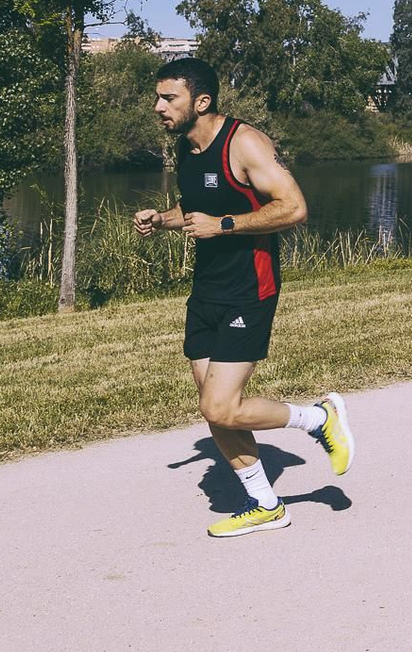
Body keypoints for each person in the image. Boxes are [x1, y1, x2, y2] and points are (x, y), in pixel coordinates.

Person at [134, 57, 354, 537]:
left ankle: (319, 418)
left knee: (219, 407)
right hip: (207, 288)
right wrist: (163, 220)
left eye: (168, 98)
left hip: (249, 289)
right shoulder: (187, 149)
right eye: (158, 97)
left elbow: (294, 208)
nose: (158, 107)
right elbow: (197, 210)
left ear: (202, 101)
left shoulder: (244, 142)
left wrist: (225, 226)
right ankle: (266, 505)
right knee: (213, 406)